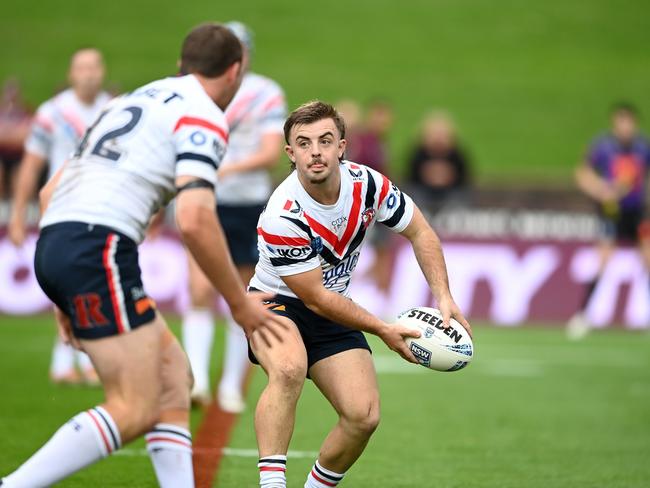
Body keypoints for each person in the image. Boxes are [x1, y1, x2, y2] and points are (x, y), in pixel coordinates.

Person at [1, 23, 285, 488]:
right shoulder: (204, 115)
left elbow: (51, 191)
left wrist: (63, 294)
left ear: (181, 65)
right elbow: (193, 219)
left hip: (60, 243)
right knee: (135, 406)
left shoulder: (130, 99)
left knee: (174, 377)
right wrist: (239, 304)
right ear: (234, 72)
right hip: (99, 247)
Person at [247, 101, 470, 488]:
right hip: (276, 303)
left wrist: (444, 295)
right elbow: (314, 298)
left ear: (342, 146)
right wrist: (383, 328)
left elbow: (420, 232)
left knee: (363, 416)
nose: (315, 151)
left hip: (331, 309)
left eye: (325, 140)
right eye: (304, 143)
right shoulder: (283, 213)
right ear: (290, 153)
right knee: (288, 368)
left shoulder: (368, 185)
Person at [181, 21, 287, 411]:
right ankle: (196, 381)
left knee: (242, 295)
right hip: (203, 198)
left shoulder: (266, 92)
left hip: (246, 203)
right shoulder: (195, 91)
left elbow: (270, 152)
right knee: (198, 290)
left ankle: (229, 385)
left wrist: (223, 169)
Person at [8, 48, 112, 385]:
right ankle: (67, 359)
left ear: (103, 71)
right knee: (70, 280)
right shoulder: (52, 112)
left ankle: (88, 358)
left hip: (104, 206)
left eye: (94, 67)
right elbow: (32, 163)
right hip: (62, 203)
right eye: (82, 67)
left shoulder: (112, 109)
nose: (89, 74)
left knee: (96, 280)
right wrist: (18, 213)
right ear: (71, 73)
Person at [568, 102, 650, 339]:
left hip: (637, 213)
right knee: (602, 262)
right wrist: (602, 190)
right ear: (615, 123)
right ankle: (583, 315)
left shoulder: (643, 148)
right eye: (621, 122)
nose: (625, 127)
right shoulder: (603, 146)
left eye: (628, 122)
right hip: (612, 212)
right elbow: (583, 173)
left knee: (647, 260)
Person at [407, 111, 471, 208]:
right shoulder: (418, 155)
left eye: (442, 135)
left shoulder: (457, 156)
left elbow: (465, 179)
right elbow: (410, 179)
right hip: (423, 195)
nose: (438, 139)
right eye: (435, 134)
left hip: (451, 195)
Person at [0, 78, 32, 199]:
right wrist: (13, 135)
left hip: (19, 155)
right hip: (2, 155)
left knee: (20, 174)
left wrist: (7, 134)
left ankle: (19, 204)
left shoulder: (25, 112)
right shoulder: (1, 112)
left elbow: (26, 136)